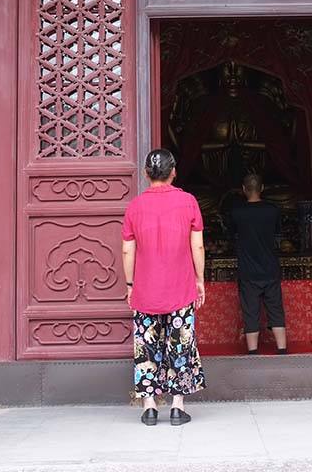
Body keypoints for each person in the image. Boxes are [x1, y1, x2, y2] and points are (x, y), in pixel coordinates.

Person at [122, 149, 207, 427]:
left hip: (145, 291)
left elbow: (127, 251)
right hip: (180, 289)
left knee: (146, 346)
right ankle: (177, 407)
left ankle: (148, 408)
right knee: (180, 344)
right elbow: (197, 245)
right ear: (174, 172)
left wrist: (130, 285)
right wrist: (200, 280)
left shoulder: (135, 206)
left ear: (146, 174)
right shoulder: (188, 202)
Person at [226, 173, 288, 355]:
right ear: (262, 188)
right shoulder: (273, 210)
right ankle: (282, 350)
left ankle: (253, 353)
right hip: (270, 269)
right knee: (276, 309)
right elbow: (278, 236)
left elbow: (232, 236)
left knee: (250, 312)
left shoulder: (236, 212)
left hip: (248, 271)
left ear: (244, 189)